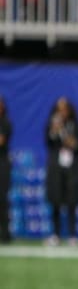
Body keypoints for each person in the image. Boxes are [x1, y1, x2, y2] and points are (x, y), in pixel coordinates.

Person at [44, 97, 78, 247]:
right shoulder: (52, 124)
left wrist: (64, 133)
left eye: (64, 109)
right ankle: (55, 234)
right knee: (55, 199)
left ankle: (73, 235)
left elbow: (77, 145)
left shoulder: (75, 126)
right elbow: (48, 142)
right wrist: (55, 130)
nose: (62, 112)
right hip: (56, 166)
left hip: (72, 167)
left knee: (72, 200)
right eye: (59, 109)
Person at [0, 96, 11, 243]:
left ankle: (5, 233)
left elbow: (1, 141)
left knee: (2, 199)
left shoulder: (5, 123)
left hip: (2, 164)